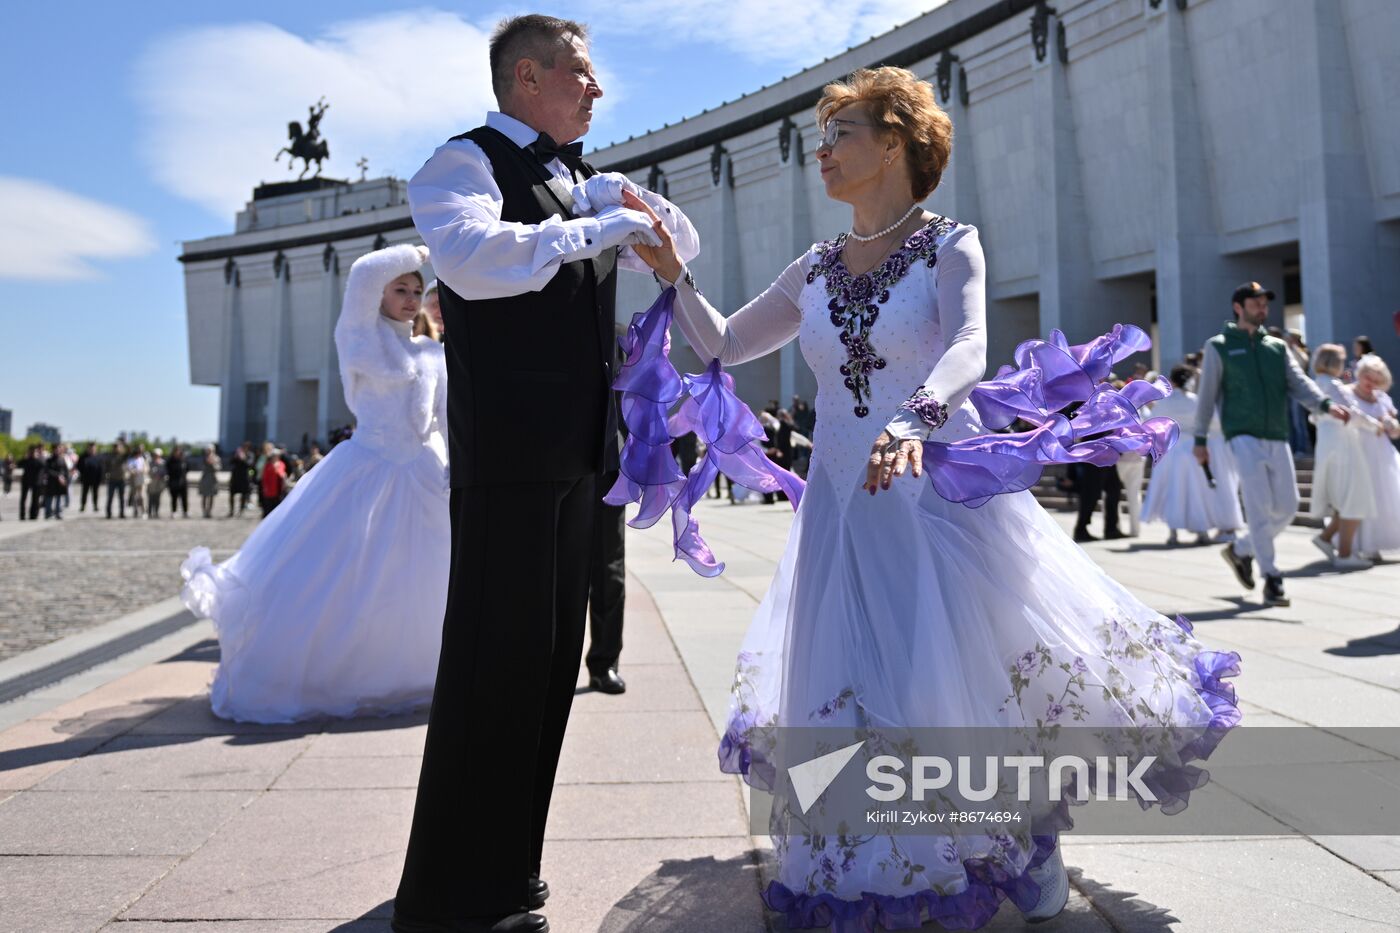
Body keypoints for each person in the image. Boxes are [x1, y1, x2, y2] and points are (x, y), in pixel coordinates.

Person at [628, 65, 1241, 929]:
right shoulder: (814, 265)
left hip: (929, 491)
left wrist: (915, 416)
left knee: (955, 678)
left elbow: (968, 343)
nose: (824, 151)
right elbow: (724, 340)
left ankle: (1021, 845)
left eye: (843, 133)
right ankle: (876, 859)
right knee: (849, 678)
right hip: (841, 508)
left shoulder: (951, 243)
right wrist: (670, 275)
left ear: (896, 143)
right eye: (825, 134)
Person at [392, 15, 699, 933]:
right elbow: (475, 264)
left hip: (579, 453)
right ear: (528, 77)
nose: (597, 90)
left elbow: (686, 251)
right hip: (509, 456)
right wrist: (593, 225)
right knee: (494, 662)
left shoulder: (579, 177)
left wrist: (635, 207)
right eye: (582, 73)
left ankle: (510, 869)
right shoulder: (464, 161)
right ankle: (451, 890)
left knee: (547, 664)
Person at [181, 244, 450, 723]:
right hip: (367, 469)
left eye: (415, 290)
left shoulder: (431, 353)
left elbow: (445, 419)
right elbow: (364, 274)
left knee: (421, 581)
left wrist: (452, 463)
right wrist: (416, 251)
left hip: (425, 474)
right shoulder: (359, 338)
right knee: (345, 575)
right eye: (400, 289)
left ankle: (422, 674)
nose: (410, 298)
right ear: (380, 294)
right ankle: (341, 676)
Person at [1193, 282, 1348, 607]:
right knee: (1259, 506)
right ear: (1239, 307)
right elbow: (1206, 395)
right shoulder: (1218, 346)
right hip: (1242, 434)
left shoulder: (1277, 347)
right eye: (1256, 302)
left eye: (1265, 303)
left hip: (1277, 434)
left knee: (1289, 505)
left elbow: (1298, 382)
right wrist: (1200, 438)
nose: (1262, 308)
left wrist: (1324, 405)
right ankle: (1272, 578)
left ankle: (1241, 550)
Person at [1142, 365, 1230, 545]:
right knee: (1198, 490)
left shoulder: (1164, 403)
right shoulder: (1196, 400)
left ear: (1172, 381)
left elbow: (1151, 424)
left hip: (1172, 448)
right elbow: (1214, 423)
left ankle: (1173, 532)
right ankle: (1202, 530)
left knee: (1172, 489)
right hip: (1193, 447)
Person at [1307, 344, 1374, 568]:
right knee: (1354, 494)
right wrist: (1375, 425)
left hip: (1326, 443)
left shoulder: (1315, 384)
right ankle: (1345, 555)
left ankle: (1326, 539)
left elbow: (1313, 417)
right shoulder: (1333, 384)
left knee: (1341, 495)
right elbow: (1350, 413)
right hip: (1343, 442)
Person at [1349, 354, 1400, 560]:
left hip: (1383, 454)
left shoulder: (1382, 398)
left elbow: (1395, 432)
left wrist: (1392, 425)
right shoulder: (1347, 394)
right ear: (1360, 375)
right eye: (1368, 377)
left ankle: (1379, 541)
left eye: (1376, 380)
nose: (1371, 383)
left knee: (1386, 497)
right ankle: (1360, 544)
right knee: (1362, 497)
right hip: (1358, 452)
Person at [42, 445, 68, 519]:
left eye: (59, 449)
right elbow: (47, 470)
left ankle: (58, 513)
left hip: (60, 483)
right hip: (51, 482)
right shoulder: (49, 460)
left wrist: (65, 478)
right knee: (49, 498)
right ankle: (48, 513)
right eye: (56, 449)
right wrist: (58, 476)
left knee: (59, 498)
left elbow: (65, 470)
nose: (58, 451)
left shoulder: (62, 459)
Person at [228, 442, 252, 516]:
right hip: (235, 477)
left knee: (243, 495)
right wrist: (236, 456)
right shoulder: (236, 454)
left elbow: (249, 464)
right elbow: (230, 462)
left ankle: (241, 511)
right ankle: (231, 511)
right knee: (232, 494)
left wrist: (243, 458)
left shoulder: (250, 455)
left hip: (244, 477)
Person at [259, 450, 287, 516]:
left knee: (277, 505)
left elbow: (281, 473)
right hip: (269, 488)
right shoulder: (268, 465)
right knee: (268, 506)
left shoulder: (281, 464)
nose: (276, 457)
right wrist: (264, 487)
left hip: (278, 488)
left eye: (277, 456)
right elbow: (264, 477)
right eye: (274, 456)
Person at [76, 443, 102, 512]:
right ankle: (83, 506)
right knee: (84, 493)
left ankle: (95, 506)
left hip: (95, 479)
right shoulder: (83, 457)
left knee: (95, 493)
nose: (92, 450)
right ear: (88, 448)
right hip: (86, 478)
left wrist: (100, 478)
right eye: (90, 448)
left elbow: (101, 468)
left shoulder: (98, 457)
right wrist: (82, 473)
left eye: (93, 448)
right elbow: (78, 466)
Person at [104, 441, 127, 519]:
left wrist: (125, 444)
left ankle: (122, 513)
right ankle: (108, 513)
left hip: (121, 479)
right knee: (110, 497)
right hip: (112, 479)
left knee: (122, 498)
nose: (116, 448)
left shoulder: (123, 456)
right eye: (115, 447)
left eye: (118, 446)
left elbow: (130, 452)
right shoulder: (109, 457)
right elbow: (106, 467)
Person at [126, 444, 148, 519]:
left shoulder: (143, 459)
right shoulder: (130, 460)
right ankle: (135, 511)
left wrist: (142, 470)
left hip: (141, 479)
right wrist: (133, 471)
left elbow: (146, 468)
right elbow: (129, 468)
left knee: (142, 496)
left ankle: (144, 511)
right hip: (133, 480)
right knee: (134, 496)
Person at [166, 446, 190, 517]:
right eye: (176, 451)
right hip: (173, 482)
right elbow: (168, 470)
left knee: (184, 498)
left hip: (183, 482)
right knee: (174, 498)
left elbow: (188, 468)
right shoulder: (170, 461)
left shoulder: (183, 460)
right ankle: (174, 511)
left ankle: (185, 512)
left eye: (179, 451)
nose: (177, 453)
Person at [199, 445, 221, 518]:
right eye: (208, 450)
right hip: (205, 478)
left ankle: (209, 511)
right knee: (204, 496)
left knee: (212, 496)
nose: (209, 452)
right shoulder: (204, 458)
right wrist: (207, 461)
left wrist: (213, 463)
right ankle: (204, 512)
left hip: (213, 479)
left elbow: (218, 468)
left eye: (210, 450)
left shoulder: (217, 458)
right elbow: (201, 467)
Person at [148, 448, 167, 519]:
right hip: (152, 482)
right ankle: (149, 512)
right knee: (150, 498)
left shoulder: (163, 462)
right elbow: (148, 471)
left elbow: (165, 472)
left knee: (158, 498)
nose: (156, 456)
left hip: (159, 483)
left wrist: (161, 475)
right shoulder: (150, 462)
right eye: (155, 455)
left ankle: (156, 512)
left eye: (158, 455)